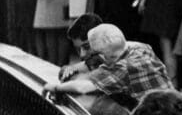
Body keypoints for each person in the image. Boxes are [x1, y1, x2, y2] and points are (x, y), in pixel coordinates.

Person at [43, 24, 172, 110]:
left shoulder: (121, 68)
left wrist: (55, 87)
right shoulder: (141, 48)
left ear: (105, 55)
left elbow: (83, 87)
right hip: (174, 103)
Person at [59, 13, 104, 81]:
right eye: (78, 49)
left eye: (86, 47)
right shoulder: (94, 61)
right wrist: (70, 69)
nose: (82, 55)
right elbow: (63, 71)